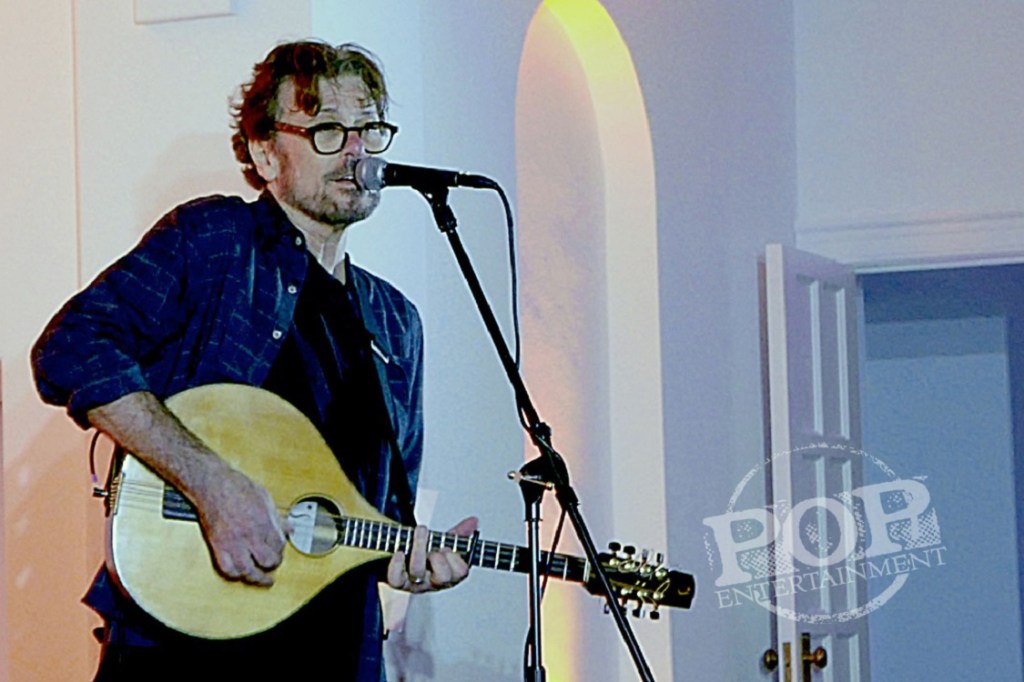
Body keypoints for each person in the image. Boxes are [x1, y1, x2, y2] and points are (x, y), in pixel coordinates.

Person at [31, 40, 476, 680]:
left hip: (335, 657)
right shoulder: (215, 242)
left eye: (369, 129)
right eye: (327, 130)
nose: (357, 152)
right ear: (266, 152)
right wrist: (212, 484)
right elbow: (70, 347)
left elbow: (373, 522)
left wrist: (407, 560)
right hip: (183, 651)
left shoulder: (395, 322)